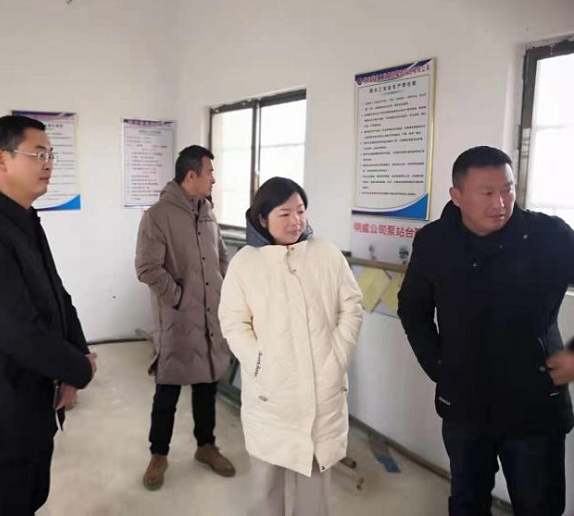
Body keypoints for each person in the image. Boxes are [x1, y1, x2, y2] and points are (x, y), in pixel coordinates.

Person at [397, 145, 574, 516]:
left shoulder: (549, 237)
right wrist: (439, 366)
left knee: (539, 506)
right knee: (467, 501)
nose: (501, 202)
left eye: (507, 189)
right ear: (457, 196)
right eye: (487, 192)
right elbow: (412, 307)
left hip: (534, 402)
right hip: (465, 405)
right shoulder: (434, 242)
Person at [0, 115, 97, 516]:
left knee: (30, 500)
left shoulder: (22, 219)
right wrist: (79, 368)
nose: (49, 164)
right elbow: (19, 331)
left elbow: (57, 295)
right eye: (38, 154)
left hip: (34, 406)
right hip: (0, 419)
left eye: (51, 155)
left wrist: (78, 352)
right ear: (1, 159)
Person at [219, 177, 363, 516]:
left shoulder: (326, 254)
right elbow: (234, 322)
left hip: (322, 392)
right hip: (272, 395)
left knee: (315, 489)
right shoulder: (245, 264)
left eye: (300, 211)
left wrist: (338, 355)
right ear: (262, 218)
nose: (296, 221)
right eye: (284, 214)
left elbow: (351, 307)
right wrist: (260, 363)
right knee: (266, 487)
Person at [135, 144, 235, 491]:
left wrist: (220, 290)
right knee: (168, 389)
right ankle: (158, 454)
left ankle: (206, 446)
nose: (214, 179)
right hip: (178, 319)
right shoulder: (158, 216)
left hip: (210, 316)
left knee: (207, 385)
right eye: (210, 172)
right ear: (191, 175)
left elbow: (220, 255)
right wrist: (179, 298)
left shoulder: (207, 211)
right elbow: (147, 268)